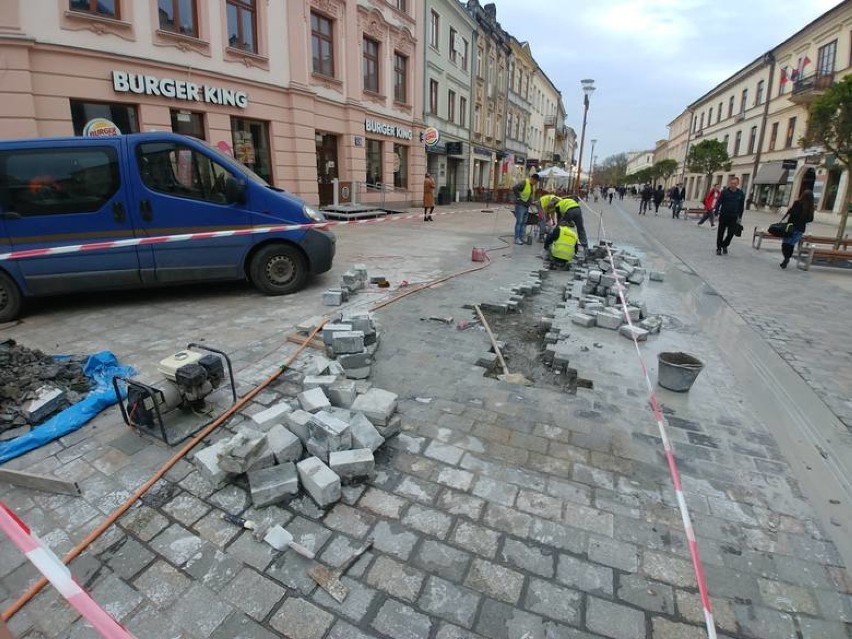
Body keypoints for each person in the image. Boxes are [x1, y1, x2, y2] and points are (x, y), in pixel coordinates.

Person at [780, 190, 815, 269]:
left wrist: (790, 210)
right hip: (800, 229)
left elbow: (793, 214)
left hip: (791, 227)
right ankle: (787, 258)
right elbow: (810, 219)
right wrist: (803, 219)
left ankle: (786, 258)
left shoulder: (797, 203)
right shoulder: (811, 207)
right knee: (791, 244)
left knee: (785, 243)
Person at [713, 176, 745, 255]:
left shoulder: (740, 193)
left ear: (738, 184)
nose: (733, 185)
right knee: (720, 233)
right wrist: (716, 212)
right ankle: (719, 248)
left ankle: (725, 244)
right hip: (724, 215)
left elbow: (741, 206)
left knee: (731, 233)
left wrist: (740, 217)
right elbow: (719, 202)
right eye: (731, 183)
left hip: (734, 217)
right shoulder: (724, 192)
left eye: (734, 183)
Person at [512, 173, 540, 245]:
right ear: (533, 179)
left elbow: (528, 195)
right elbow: (515, 188)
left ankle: (522, 237)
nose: (535, 183)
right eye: (535, 182)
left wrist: (531, 202)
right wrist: (518, 198)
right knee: (519, 222)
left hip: (526, 206)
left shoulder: (531, 185)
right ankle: (517, 238)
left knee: (524, 223)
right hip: (520, 205)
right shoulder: (524, 182)